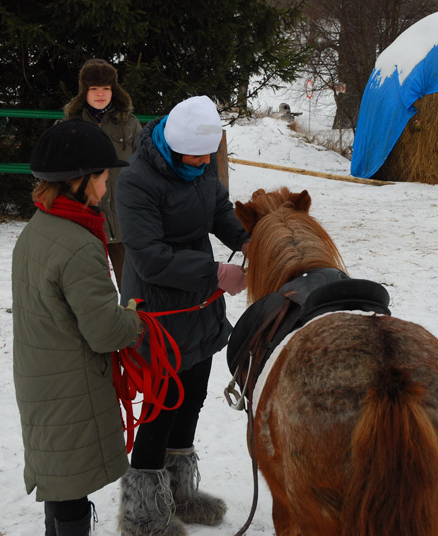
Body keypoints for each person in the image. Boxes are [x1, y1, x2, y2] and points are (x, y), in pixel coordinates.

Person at [114, 95, 250, 536]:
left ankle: (179, 494)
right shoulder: (136, 181)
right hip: (158, 310)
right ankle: (142, 514)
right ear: (172, 145)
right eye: (195, 154)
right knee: (159, 409)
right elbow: (150, 257)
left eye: (209, 154)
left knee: (191, 399)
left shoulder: (203, 166)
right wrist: (214, 271)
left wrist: (251, 241)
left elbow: (219, 212)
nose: (204, 161)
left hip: (200, 307)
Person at [11, 119, 143, 536]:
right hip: (71, 383)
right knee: (70, 489)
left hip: (42, 376)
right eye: (103, 176)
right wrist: (134, 319)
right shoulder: (78, 243)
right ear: (79, 181)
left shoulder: (39, 228)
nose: (107, 185)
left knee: (60, 478)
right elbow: (105, 331)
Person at [62, 58, 142, 293]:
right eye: (94, 89)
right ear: (83, 92)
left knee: (133, 292)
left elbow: (144, 167)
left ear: (113, 90)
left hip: (124, 223)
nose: (100, 94)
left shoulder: (130, 124)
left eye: (106, 88)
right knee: (90, 290)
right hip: (86, 222)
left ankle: (133, 329)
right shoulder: (70, 126)